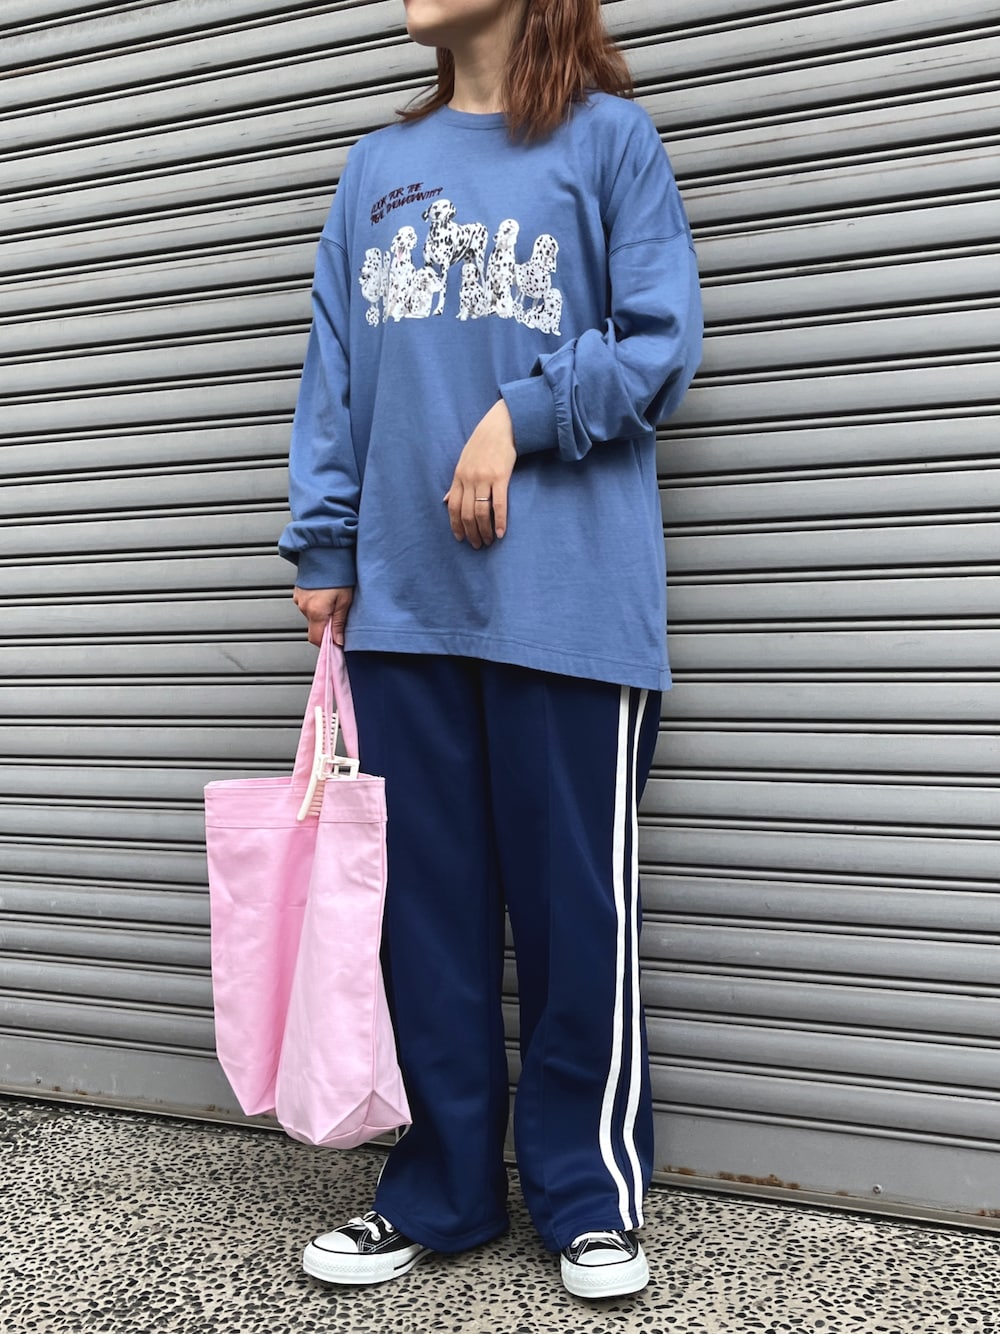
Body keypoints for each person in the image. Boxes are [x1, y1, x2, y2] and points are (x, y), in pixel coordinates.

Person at [278, 0, 702, 1301]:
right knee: (426, 922)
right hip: (404, 607)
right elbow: (335, 367)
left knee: (576, 918)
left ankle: (587, 1195)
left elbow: (662, 339)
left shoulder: (611, 142)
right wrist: (325, 542)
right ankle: (442, 1189)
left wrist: (521, 415)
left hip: (570, 608)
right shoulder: (377, 167)